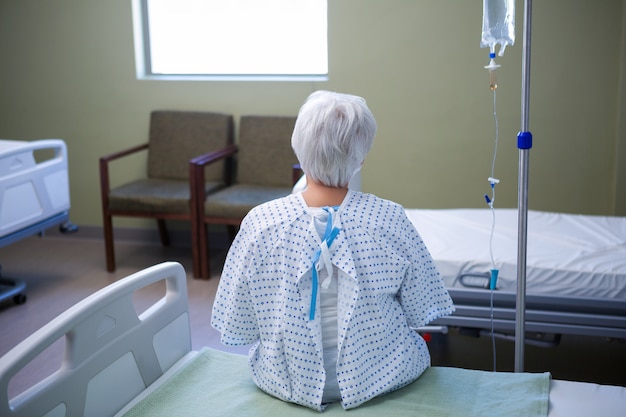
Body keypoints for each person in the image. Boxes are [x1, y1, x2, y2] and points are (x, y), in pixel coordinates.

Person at [211, 90, 454, 411]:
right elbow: (421, 308)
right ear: (362, 156)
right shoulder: (388, 218)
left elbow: (239, 320)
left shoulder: (260, 223)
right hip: (382, 375)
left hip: (284, 379)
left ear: (297, 148)